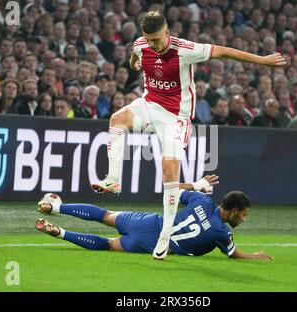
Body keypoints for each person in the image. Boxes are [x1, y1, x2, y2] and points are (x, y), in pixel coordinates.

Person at [90, 11, 286, 260]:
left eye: (157, 39)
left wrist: (263, 60)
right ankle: (113, 179)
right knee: (116, 119)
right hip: (150, 105)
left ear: (168, 33)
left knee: (169, 170)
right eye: (149, 39)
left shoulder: (185, 50)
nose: (153, 44)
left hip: (176, 116)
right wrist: (133, 63)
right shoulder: (141, 44)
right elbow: (135, 53)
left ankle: (165, 236)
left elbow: (225, 51)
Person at [35, 175, 273, 260]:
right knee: (107, 245)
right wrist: (257, 256)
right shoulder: (222, 232)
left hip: (149, 222)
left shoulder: (202, 200)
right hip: (156, 244)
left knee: (104, 214)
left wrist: (196, 184)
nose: (244, 219)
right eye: (243, 214)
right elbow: (234, 255)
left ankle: (57, 207)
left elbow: (169, 187)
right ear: (232, 211)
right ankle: (61, 233)